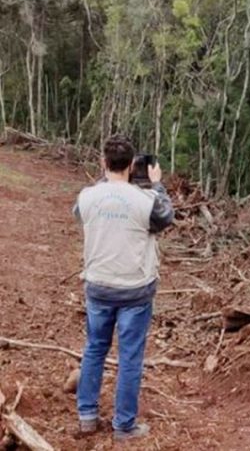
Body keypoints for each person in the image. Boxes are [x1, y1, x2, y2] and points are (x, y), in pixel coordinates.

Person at [73, 134, 174, 441]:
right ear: (132, 165)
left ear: (104, 163)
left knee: (94, 349)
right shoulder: (146, 201)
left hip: (99, 287)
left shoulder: (87, 196)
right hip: (135, 291)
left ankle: (87, 416)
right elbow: (165, 217)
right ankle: (124, 425)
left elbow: (82, 215)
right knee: (130, 357)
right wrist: (156, 184)